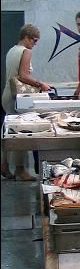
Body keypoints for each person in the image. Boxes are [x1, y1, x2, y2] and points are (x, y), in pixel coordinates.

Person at [1, 25, 51, 181]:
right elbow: (23, 76)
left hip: (7, 94)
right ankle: (20, 169)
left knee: (10, 132)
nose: (34, 44)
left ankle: (4, 164)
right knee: (21, 133)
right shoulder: (26, 51)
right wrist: (40, 84)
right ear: (27, 37)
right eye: (34, 40)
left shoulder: (12, 50)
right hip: (18, 98)